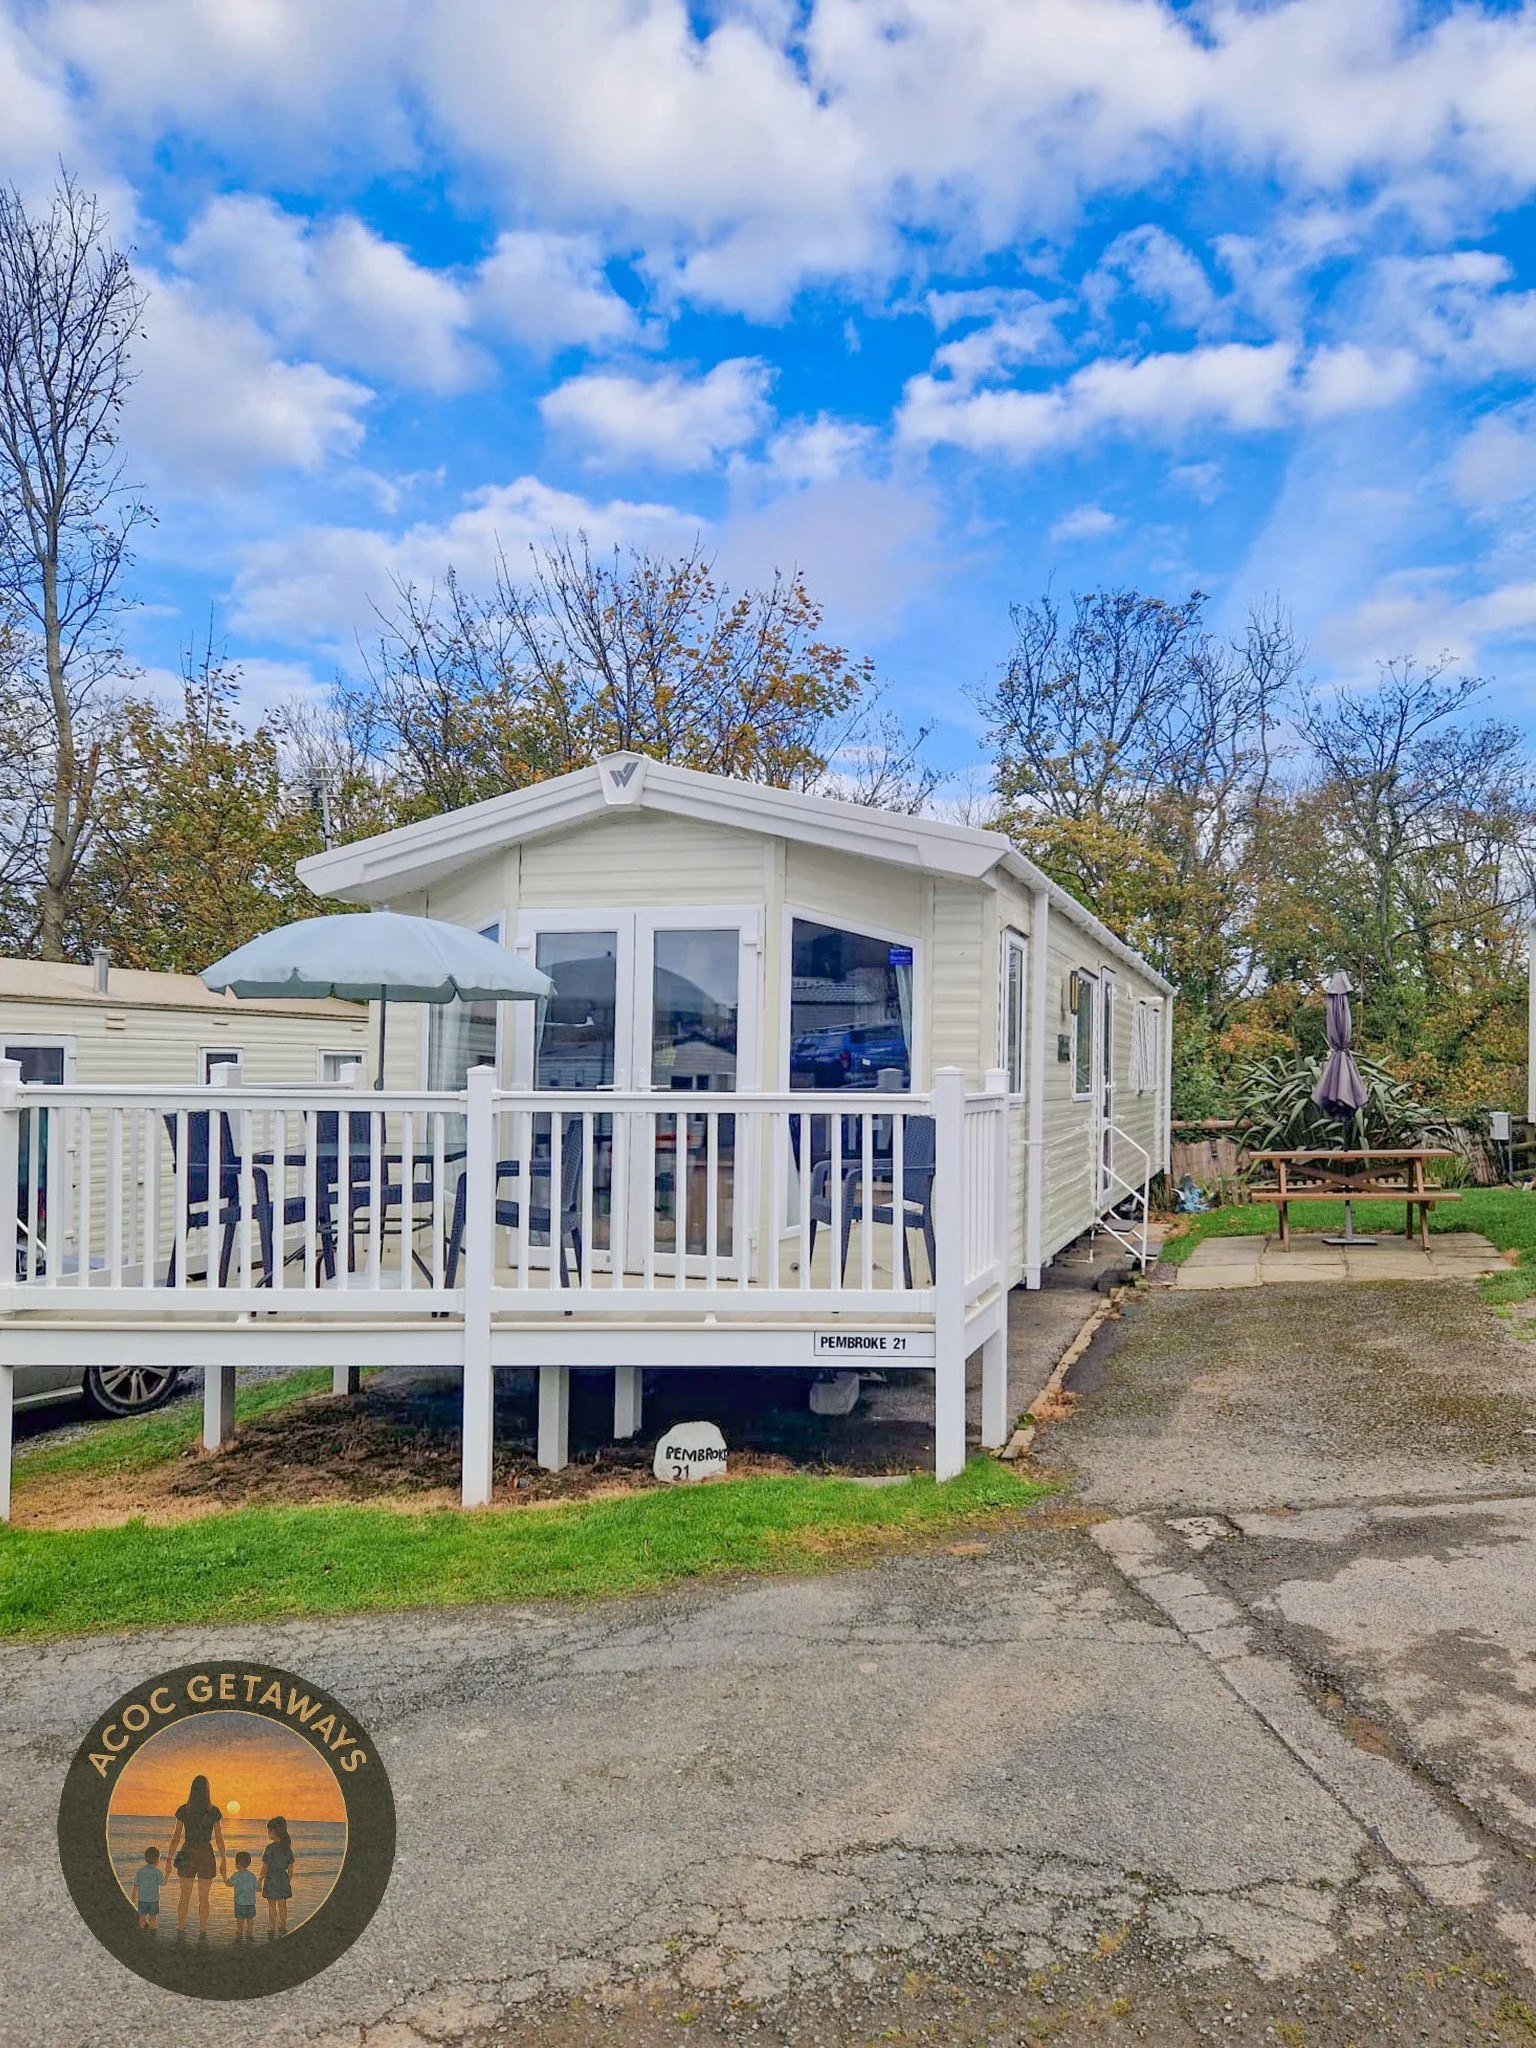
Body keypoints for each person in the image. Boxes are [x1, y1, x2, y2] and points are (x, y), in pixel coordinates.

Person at [163, 1773, 227, 1939]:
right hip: (206, 1854)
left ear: (192, 1790)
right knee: (204, 1898)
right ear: (207, 1790)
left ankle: (180, 1928)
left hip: (188, 1853)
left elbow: (176, 1837)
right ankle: (203, 1931)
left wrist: (169, 1859)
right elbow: (219, 1839)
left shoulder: (184, 1809)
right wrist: (224, 1860)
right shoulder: (213, 1811)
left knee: (184, 1896)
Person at [260, 1817, 294, 1938]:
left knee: (272, 1906)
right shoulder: (287, 1848)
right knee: (283, 1905)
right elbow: (290, 1868)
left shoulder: (270, 1848)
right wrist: (288, 1879)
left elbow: (265, 1867)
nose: (268, 1833)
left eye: (269, 1831)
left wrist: (260, 1879)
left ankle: (271, 1927)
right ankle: (283, 1925)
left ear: (273, 1831)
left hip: (271, 1878)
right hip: (282, 1878)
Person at [222, 1850, 259, 1942]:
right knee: (250, 1920)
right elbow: (258, 1888)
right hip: (251, 1903)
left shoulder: (236, 1875)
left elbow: (229, 1884)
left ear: (237, 1864)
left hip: (240, 1903)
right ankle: (250, 1934)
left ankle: (239, 1934)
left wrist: (224, 1876)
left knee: (240, 1920)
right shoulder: (252, 1876)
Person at [134, 1845, 163, 1932]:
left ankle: (141, 1929)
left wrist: (133, 1896)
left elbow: (136, 1884)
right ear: (157, 1860)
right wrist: (168, 1874)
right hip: (154, 1899)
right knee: (153, 1916)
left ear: (145, 1858)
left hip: (142, 1899)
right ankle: (152, 1928)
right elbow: (162, 1883)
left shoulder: (140, 1871)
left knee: (142, 1915)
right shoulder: (157, 1872)